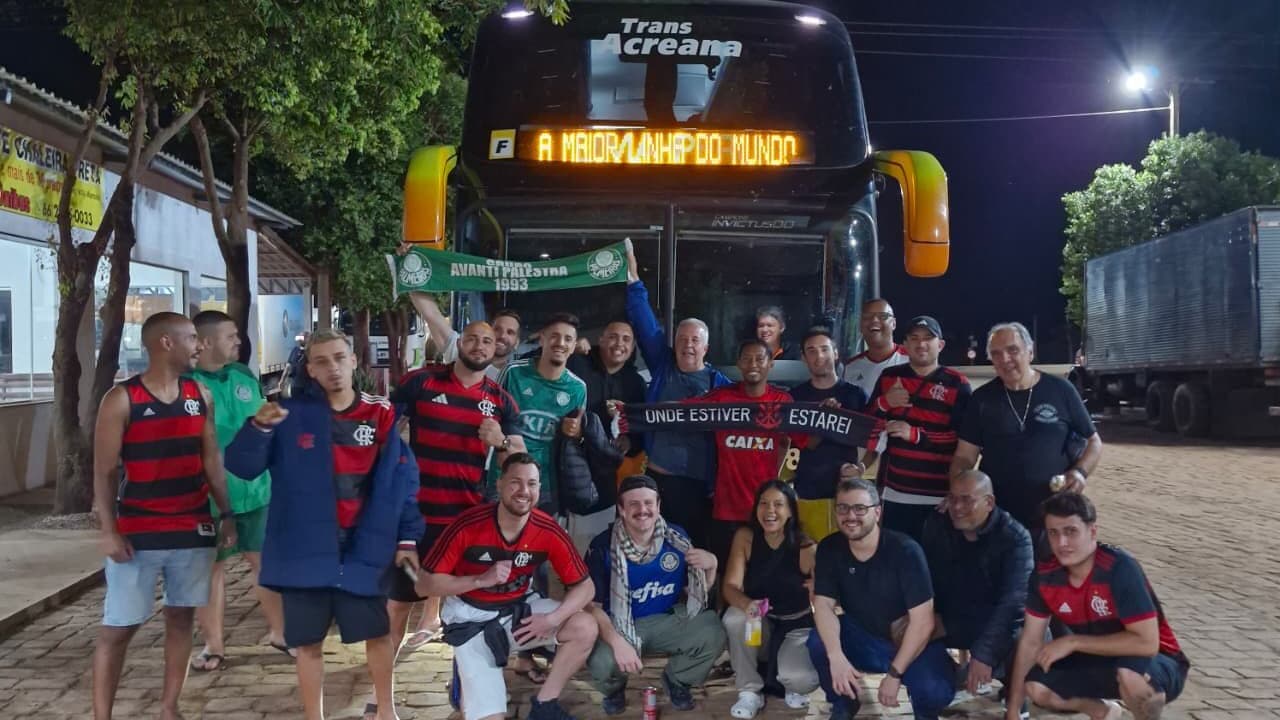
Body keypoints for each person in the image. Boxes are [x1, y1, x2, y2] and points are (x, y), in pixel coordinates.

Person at [224, 329, 422, 720]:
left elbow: (403, 481)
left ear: (353, 360)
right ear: (310, 370)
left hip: (362, 548)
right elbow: (242, 467)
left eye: (338, 357)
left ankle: (386, 710)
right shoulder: (287, 415)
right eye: (321, 361)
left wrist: (407, 539)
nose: (332, 367)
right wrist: (258, 428)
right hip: (304, 550)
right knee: (308, 641)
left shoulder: (379, 413)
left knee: (378, 633)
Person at [90, 312, 238, 720]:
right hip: (138, 530)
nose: (199, 345)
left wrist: (226, 513)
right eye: (191, 338)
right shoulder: (122, 399)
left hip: (192, 526)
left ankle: (169, 707)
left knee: (181, 617)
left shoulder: (199, 394)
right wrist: (109, 531)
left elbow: (211, 458)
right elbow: (103, 471)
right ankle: (102, 714)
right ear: (166, 343)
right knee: (119, 626)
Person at [377, 321, 526, 704]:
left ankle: (463, 697)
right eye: (473, 338)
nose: (479, 346)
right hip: (415, 521)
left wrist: (502, 441)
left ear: (497, 349)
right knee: (396, 609)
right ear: (460, 343)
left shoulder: (501, 400)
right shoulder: (420, 383)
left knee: (466, 613)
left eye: (488, 341)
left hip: (465, 526)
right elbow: (384, 436)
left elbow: (521, 461)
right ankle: (381, 699)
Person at [418, 453, 599, 720]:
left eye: (532, 484)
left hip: (517, 611)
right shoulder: (468, 525)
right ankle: (466, 668)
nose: (524, 491)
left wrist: (552, 619)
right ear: (500, 485)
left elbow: (586, 588)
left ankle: (544, 705)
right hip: (470, 618)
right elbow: (424, 584)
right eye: (515, 482)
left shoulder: (547, 529)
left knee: (584, 626)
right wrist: (480, 580)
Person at [1004, 493, 1189, 720]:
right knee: (1037, 687)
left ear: (1092, 531)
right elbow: (1031, 641)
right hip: (1098, 657)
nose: (1061, 543)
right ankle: (1103, 712)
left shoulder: (1119, 569)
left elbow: (1147, 643)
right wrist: (1012, 710)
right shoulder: (1045, 576)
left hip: (1160, 660)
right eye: (1053, 533)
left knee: (1131, 676)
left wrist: (1073, 641)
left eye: (1070, 532)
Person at [187, 310, 287, 671]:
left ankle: (280, 634)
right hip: (208, 496)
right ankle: (214, 646)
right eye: (231, 336)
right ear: (207, 341)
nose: (238, 341)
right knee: (211, 571)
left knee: (265, 564)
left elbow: (262, 421)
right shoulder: (186, 384)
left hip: (257, 491)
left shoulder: (244, 375)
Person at [806, 479, 955, 720]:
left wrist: (895, 675)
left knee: (935, 690)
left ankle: (926, 711)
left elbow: (923, 622)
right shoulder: (829, 548)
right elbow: (822, 605)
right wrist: (836, 656)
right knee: (818, 642)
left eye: (860, 508)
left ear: (877, 512)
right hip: (863, 635)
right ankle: (844, 702)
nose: (850, 516)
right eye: (843, 508)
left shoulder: (906, 551)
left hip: (907, 640)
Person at [584, 475, 724, 714]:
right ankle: (614, 689)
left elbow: (695, 594)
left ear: (658, 505)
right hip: (618, 624)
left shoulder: (677, 538)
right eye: (634, 504)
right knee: (601, 661)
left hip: (666, 619)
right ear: (622, 509)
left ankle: (677, 680)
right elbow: (590, 606)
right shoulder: (601, 546)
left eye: (649, 503)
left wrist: (712, 566)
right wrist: (617, 643)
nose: (642, 510)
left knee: (713, 633)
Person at [951, 322, 1103, 538]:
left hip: (1054, 515)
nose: (1004, 359)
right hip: (999, 519)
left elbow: (1093, 442)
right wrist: (959, 496)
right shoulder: (982, 399)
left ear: (1030, 352)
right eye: (996, 354)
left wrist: (1080, 472)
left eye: (1012, 350)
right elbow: (965, 456)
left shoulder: (1061, 391)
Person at [624, 241, 730, 544]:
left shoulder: (718, 384)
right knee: (656, 548)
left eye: (695, 340)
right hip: (659, 482)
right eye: (682, 338)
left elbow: (748, 410)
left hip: (699, 486)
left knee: (694, 552)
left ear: (705, 348)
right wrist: (633, 280)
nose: (687, 344)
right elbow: (644, 324)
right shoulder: (663, 365)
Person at [919, 470, 1034, 699]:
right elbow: (924, 580)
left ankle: (1014, 695)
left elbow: (1013, 603)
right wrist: (926, 618)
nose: (957, 507)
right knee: (909, 629)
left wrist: (984, 654)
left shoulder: (1015, 537)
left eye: (967, 500)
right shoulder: (937, 525)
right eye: (952, 498)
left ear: (989, 502)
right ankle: (946, 678)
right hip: (953, 618)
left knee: (1027, 637)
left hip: (993, 621)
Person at [861, 316, 972, 541]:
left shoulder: (957, 383)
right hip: (893, 494)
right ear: (906, 344)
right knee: (896, 565)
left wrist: (914, 435)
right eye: (914, 338)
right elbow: (866, 425)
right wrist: (885, 403)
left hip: (938, 498)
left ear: (940, 345)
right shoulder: (889, 377)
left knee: (937, 567)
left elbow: (962, 441)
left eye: (928, 338)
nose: (921, 344)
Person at [698, 339, 805, 568]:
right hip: (726, 506)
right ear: (739, 364)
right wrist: (631, 414)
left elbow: (805, 438)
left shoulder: (782, 402)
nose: (753, 364)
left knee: (763, 571)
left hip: (767, 509)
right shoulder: (722, 398)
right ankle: (724, 606)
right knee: (724, 570)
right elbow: (681, 412)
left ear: (770, 364)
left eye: (759, 358)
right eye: (747, 358)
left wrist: (828, 414)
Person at [721, 480, 820, 719]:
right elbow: (730, 587)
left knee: (800, 680)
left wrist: (818, 589)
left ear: (790, 511)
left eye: (778, 504)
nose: (770, 511)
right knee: (735, 618)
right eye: (763, 503)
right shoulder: (746, 537)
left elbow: (827, 598)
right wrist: (747, 604)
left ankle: (789, 681)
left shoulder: (806, 546)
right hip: (761, 622)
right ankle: (749, 691)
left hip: (796, 625)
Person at [493, 313, 588, 512]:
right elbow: (492, 419)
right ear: (542, 338)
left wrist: (577, 432)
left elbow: (576, 442)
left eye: (568, 339)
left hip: (545, 484)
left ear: (573, 346)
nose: (560, 343)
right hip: (503, 478)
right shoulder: (513, 373)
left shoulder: (578, 388)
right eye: (554, 336)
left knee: (537, 542)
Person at [787, 327, 867, 541]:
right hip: (809, 488)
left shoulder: (855, 395)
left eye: (824, 349)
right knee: (810, 553)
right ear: (804, 358)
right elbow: (806, 444)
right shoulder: (795, 398)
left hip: (847, 489)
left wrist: (862, 468)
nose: (819, 356)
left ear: (836, 353)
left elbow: (874, 440)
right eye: (811, 351)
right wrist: (825, 419)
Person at [409, 289, 522, 380]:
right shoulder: (464, 349)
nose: (502, 335)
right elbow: (430, 313)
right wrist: (414, 272)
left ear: (517, 343)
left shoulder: (517, 380)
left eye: (510, 332)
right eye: (497, 329)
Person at [842, 299, 908, 400]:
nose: (874, 320)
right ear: (860, 325)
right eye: (867, 317)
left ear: (893, 324)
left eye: (883, 316)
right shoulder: (850, 367)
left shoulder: (911, 359)